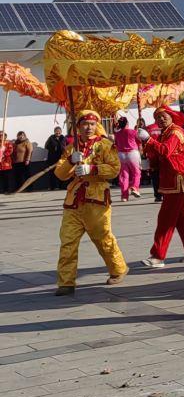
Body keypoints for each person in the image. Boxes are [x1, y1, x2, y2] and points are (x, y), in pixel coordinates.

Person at [53, 110, 129, 296]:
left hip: (97, 200)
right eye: (85, 124)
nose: (88, 127)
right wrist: (71, 161)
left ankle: (118, 268)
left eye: (92, 124)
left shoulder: (105, 145)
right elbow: (60, 174)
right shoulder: (72, 147)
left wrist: (92, 168)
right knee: (67, 241)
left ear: (97, 126)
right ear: (78, 126)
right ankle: (66, 282)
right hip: (73, 202)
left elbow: (114, 170)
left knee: (103, 238)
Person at [137, 106, 184, 268]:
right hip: (170, 179)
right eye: (157, 117)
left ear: (172, 116)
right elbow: (160, 155)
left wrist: (148, 140)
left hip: (177, 179)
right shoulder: (165, 132)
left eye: (163, 116)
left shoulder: (175, 132)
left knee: (165, 219)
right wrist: (149, 160)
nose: (160, 119)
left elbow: (166, 150)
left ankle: (158, 256)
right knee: (181, 219)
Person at [112, 116, 142, 201]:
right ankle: (135, 188)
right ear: (127, 123)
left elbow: (116, 144)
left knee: (124, 175)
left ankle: (124, 196)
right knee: (137, 173)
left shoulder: (117, 134)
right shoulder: (133, 132)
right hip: (132, 153)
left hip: (121, 155)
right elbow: (139, 142)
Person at [44, 126, 67, 191]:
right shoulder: (51, 138)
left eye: (59, 131)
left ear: (61, 132)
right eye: (56, 131)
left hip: (61, 157)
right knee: (52, 173)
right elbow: (46, 146)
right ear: (54, 132)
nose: (58, 132)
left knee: (61, 172)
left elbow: (66, 146)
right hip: (52, 158)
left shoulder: (63, 138)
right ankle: (52, 186)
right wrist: (53, 147)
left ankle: (61, 186)